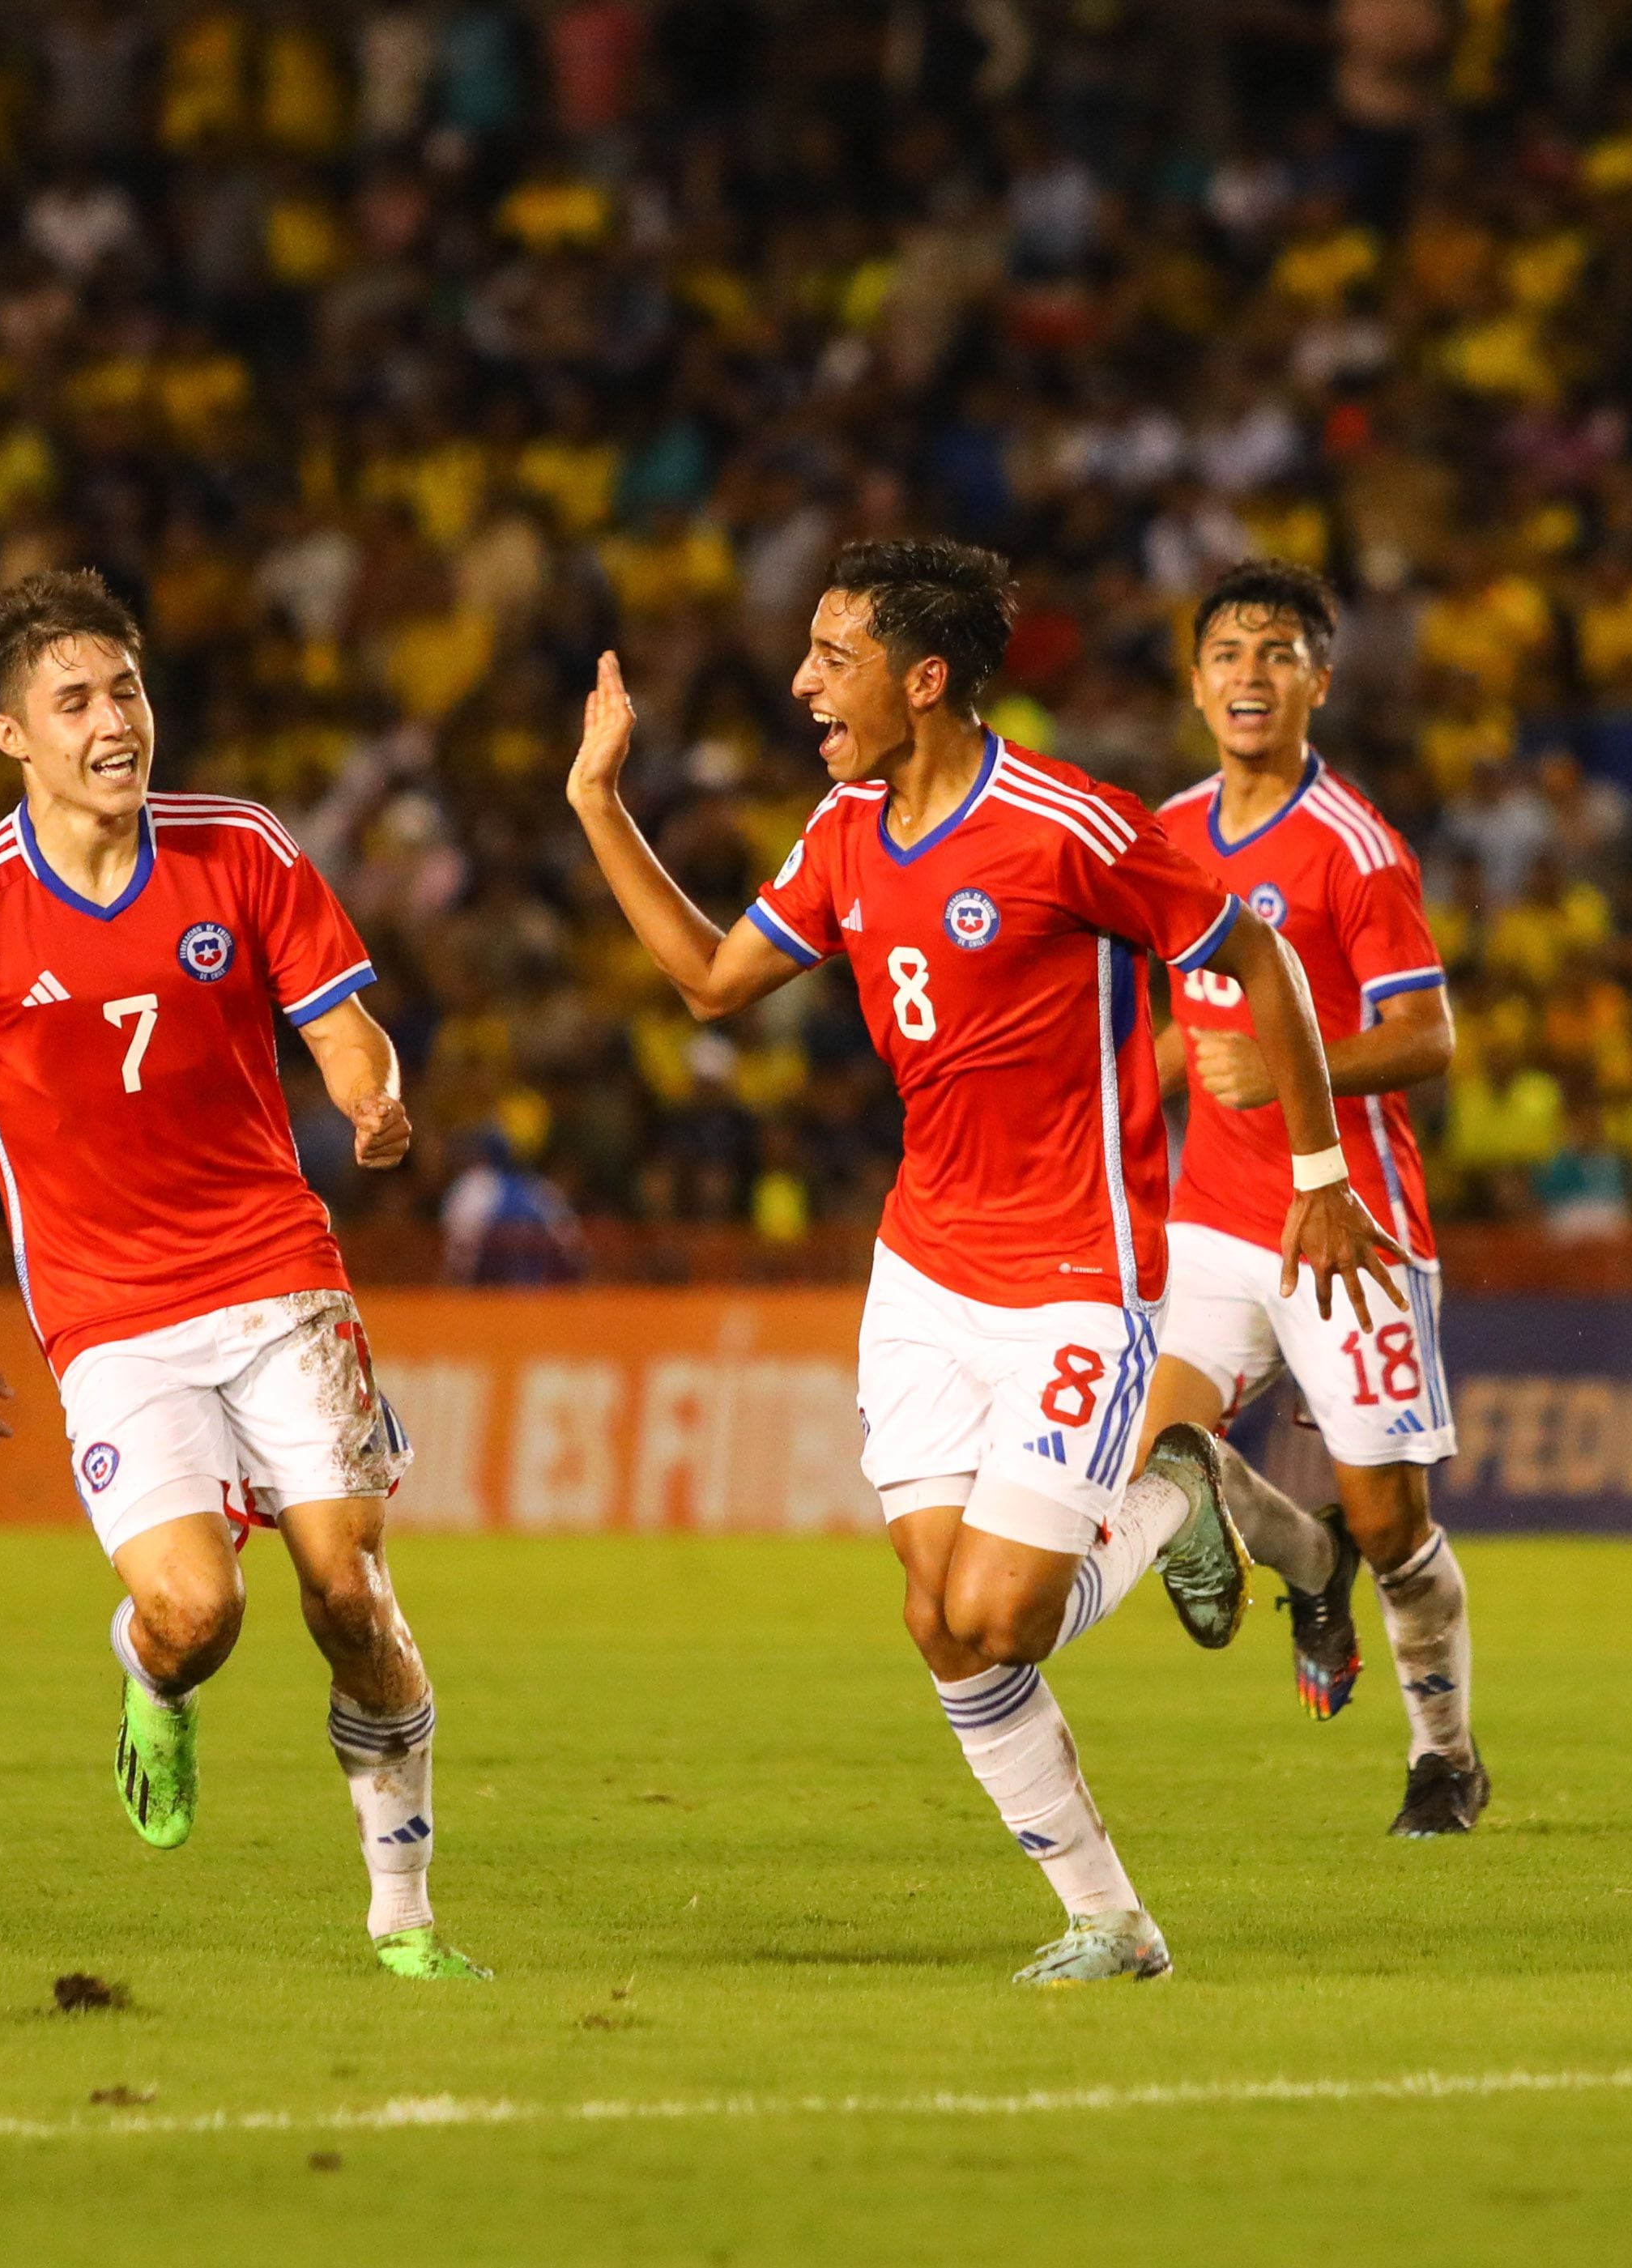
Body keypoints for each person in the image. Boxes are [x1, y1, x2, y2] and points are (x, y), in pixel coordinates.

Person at [567, 538, 1403, 1984]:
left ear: (925, 678)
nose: (802, 683)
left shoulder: (1069, 824)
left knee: (1004, 1610)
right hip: (923, 1278)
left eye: (834, 657)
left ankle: (1172, 1481)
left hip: (1082, 1270)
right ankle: (1111, 1923)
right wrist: (596, 803)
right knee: (936, 1621)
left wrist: (1321, 1173)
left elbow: (1252, 957)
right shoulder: (840, 833)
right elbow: (708, 982)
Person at [0, 570, 485, 1983]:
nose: (114, 722)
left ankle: (404, 1915)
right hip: (113, 1319)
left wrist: (370, 1097)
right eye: (74, 702)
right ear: (12, 736)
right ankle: (148, 1680)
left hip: (277, 1275)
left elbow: (341, 1024)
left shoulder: (237, 847)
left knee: (349, 1593)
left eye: (125, 690)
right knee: (198, 1616)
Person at [1136, 560, 1487, 1837]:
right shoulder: (1165, 834)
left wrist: (1293, 1062)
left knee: (1396, 1523)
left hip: (1347, 1223)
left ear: (1317, 684)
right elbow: (1179, 1026)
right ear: (1193, 684)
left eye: (1277, 652)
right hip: (1213, 1222)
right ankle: (1304, 1557)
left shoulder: (1356, 849)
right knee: (1151, 1450)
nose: (1248, 672)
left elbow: (1428, 1035)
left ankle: (1442, 1753)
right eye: (1227, 651)